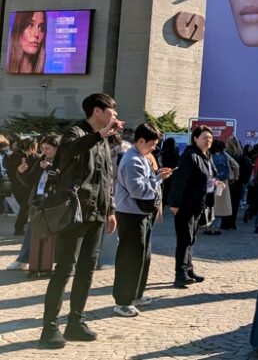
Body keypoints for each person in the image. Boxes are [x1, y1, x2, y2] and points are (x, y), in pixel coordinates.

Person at [39, 93, 124, 349]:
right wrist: (100, 135)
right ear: (97, 111)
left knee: (87, 270)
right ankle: (49, 328)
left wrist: (110, 209)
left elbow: (107, 177)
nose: (115, 116)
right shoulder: (75, 133)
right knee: (65, 269)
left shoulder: (104, 140)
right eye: (112, 111)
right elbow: (69, 151)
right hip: (75, 213)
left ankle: (76, 322)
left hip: (97, 213)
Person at [111, 123, 171, 318]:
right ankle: (123, 301)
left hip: (139, 213)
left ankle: (135, 294)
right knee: (130, 257)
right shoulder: (133, 160)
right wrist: (158, 180)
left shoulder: (140, 157)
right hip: (130, 214)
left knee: (142, 256)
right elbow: (138, 190)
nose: (154, 148)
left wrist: (157, 176)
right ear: (141, 140)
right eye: (152, 144)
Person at [167, 126, 217, 290]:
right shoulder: (190, 156)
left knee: (191, 238)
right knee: (184, 239)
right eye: (204, 137)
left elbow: (208, 177)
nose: (208, 140)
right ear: (195, 139)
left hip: (198, 204)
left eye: (210, 138)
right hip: (185, 204)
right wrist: (174, 203)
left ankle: (189, 270)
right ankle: (180, 275)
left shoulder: (206, 156)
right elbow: (179, 180)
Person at [8, 134, 60, 272]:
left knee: (55, 233)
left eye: (48, 148)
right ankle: (23, 260)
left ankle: (54, 262)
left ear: (57, 148)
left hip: (54, 202)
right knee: (32, 229)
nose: (44, 152)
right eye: (43, 148)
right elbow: (30, 180)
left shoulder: (63, 161)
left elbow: (64, 179)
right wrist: (20, 172)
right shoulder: (41, 160)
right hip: (38, 199)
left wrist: (50, 168)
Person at [207, 139, 239, 235]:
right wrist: (235, 177)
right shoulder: (225, 155)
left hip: (210, 181)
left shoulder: (208, 155)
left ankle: (209, 227)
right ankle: (216, 228)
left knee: (209, 203)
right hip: (222, 182)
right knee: (220, 205)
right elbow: (236, 166)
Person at [221, 136, 251, 230]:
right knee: (235, 204)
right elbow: (247, 169)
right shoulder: (242, 156)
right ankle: (232, 223)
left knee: (226, 202)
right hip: (239, 183)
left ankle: (225, 223)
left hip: (228, 182)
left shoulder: (226, 155)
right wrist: (243, 181)